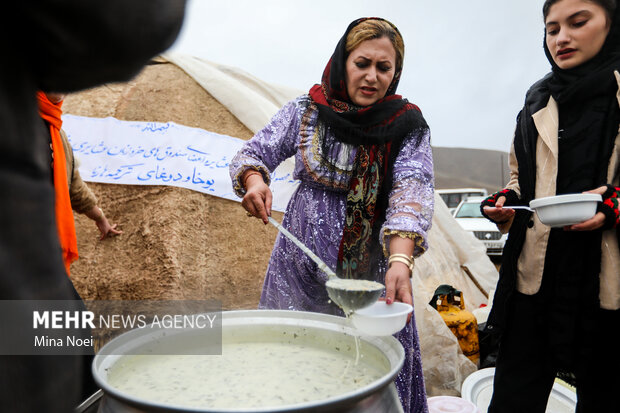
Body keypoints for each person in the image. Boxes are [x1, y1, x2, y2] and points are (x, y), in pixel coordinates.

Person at [230, 17, 434, 413]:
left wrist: (400, 259)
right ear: (343, 62)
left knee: (370, 367)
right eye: (362, 64)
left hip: (371, 272)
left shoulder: (406, 124)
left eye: (384, 67)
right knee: (291, 358)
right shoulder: (307, 112)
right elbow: (253, 154)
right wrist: (254, 182)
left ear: (395, 72)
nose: (372, 76)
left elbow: (412, 190)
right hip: (298, 266)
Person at [0, 1, 185, 412]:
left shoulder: (52, 129)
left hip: (35, 255)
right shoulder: (20, 115)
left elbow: (71, 183)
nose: (62, 87)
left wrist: (99, 216)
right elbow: (130, 26)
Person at [480, 1, 620, 411]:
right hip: (536, 279)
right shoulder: (537, 100)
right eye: (552, 28)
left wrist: (613, 203)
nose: (562, 38)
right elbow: (520, 179)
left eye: (578, 23)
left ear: (611, 24)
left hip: (606, 284)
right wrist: (508, 201)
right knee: (513, 397)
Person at [37, 91, 122, 275]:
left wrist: (100, 218)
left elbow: (72, 184)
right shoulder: (14, 127)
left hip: (47, 243)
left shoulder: (57, 132)